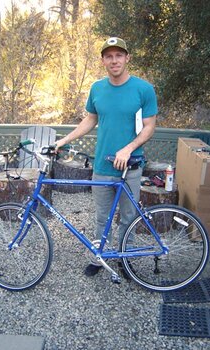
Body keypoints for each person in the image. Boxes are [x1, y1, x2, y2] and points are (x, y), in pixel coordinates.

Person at [55, 37, 158, 276]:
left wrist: (128, 148)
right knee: (102, 217)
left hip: (130, 166)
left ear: (127, 58)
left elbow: (149, 126)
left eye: (119, 55)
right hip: (102, 165)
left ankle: (125, 258)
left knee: (128, 217)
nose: (114, 60)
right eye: (109, 56)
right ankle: (99, 255)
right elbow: (90, 119)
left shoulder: (143, 89)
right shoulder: (97, 88)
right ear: (103, 61)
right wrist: (62, 141)